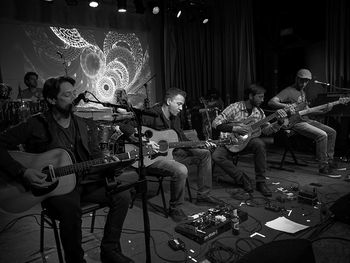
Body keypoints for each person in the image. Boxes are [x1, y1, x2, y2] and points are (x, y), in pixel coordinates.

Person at [0, 76, 134, 263]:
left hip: (84, 181)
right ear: (51, 99)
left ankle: (109, 250)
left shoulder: (82, 123)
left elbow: (95, 155)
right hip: (54, 188)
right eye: (66, 95)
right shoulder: (35, 124)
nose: (73, 98)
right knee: (71, 210)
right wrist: (23, 172)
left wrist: (111, 164)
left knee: (123, 194)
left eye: (73, 93)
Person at [124, 88, 220, 222]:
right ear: (169, 101)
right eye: (179, 104)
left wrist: (201, 144)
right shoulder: (151, 114)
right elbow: (125, 125)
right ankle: (175, 208)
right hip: (150, 159)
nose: (181, 108)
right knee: (181, 170)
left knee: (204, 153)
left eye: (182, 105)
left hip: (172, 153)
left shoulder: (175, 118)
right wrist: (145, 141)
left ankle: (203, 195)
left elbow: (181, 139)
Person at [212, 84, 287, 197]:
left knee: (259, 144)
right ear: (251, 96)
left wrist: (279, 122)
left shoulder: (259, 113)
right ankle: (242, 178)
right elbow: (215, 123)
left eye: (263, 97)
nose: (263, 100)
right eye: (260, 97)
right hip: (230, 141)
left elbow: (267, 131)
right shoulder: (235, 107)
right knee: (216, 156)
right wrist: (234, 128)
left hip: (246, 143)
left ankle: (261, 182)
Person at [268, 68, 344, 178]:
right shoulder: (288, 91)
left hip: (306, 119)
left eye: (306, 81)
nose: (304, 83)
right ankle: (323, 167)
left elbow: (308, 110)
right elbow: (271, 102)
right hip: (295, 123)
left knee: (332, 132)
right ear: (296, 79)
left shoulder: (303, 92)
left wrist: (325, 110)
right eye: (301, 80)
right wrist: (286, 106)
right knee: (322, 135)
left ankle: (329, 161)